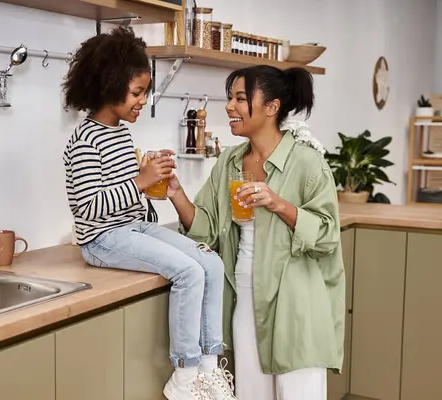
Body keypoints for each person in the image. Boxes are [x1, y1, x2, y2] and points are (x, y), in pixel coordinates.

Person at [61, 26, 236, 400]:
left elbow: (125, 195)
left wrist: (153, 179)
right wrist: (140, 182)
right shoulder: (84, 140)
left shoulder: (120, 134)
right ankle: (185, 374)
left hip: (131, 228)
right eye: (138, 92)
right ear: (109, 86)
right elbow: (88, 206)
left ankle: (208, 369)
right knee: (189, 272)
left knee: (212, 264)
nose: (143, 100)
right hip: (101, 240)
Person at [167, 65, 345, 400]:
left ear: (271, 107)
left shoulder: (308, 163)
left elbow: (326, 236)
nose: (229, 107)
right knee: (251, 394)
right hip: (244, 298)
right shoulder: (230, 162)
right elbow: (205, 230)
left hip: (297, 302)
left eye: (239, 98)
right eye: (229, 98)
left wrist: (278, 204)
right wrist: (176, 193)